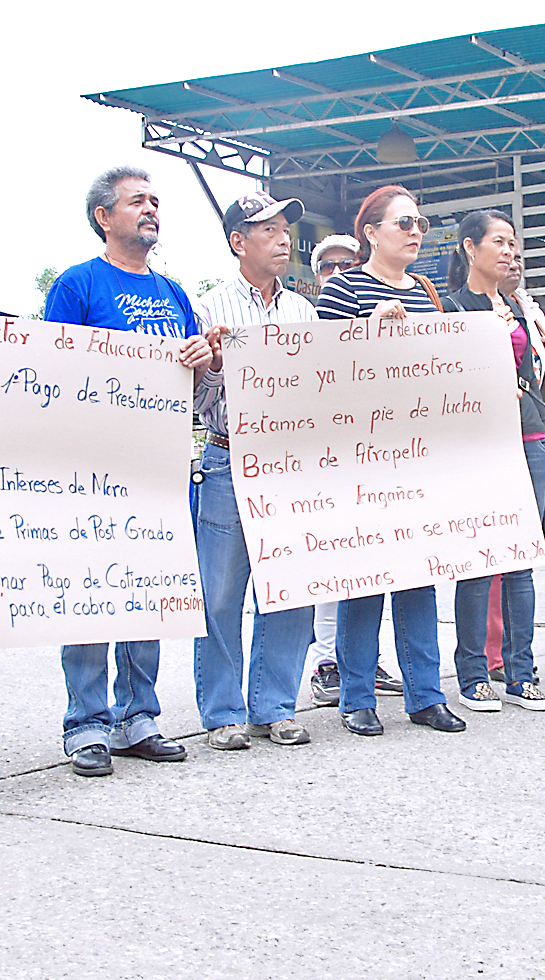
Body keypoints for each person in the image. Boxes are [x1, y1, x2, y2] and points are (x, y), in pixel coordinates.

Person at [43, 167, 219, 775]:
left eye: (155, 202)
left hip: (163, 463)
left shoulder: (173, 293)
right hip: (94, 467)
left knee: (148, 593)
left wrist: (201, 361)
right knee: (93, 593)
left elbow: (192, 385)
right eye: (137, 201)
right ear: (104, 217)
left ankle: (137, 715)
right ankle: (86, 724)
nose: (151, 210)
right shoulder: (77, 285)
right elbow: (54, 373)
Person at [311, 186, 467, 737]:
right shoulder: (345, 288)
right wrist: (366, 329)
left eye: (420, 221)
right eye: (403, 222)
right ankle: (356, 695)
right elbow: (319, 371)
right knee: (364, 579)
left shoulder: (427, 290)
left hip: (417, 455)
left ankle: (426, 694)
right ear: (370, 233)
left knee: (419, 577)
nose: (415, 230)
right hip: (363, 458)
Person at [190, 189, 319, 749]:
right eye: (267, 230)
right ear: (238, 242)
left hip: (290, 463)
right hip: (228, 455)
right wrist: (214, 366)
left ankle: (276, 706)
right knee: (221, 593)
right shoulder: (208, 309)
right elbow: (194, 402)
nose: (282, 238)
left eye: (284, 229)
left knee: (289, 587)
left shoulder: (302, 311)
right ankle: (222, 713)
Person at [442, 209, 545, 714]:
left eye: (514, 244)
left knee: (521, 561)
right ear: (470, 248)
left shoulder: (518, 306)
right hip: (478, 443)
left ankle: (521, 672)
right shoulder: (451, 308)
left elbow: (532, 379)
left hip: (528, 436)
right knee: (478, 559)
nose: (510, 252)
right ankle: (472, 673)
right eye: (499, 242)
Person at [301, 235, 406, 708]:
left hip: (382, 449)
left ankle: (362, 661)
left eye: (348, 263)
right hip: (330, 452)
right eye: (328, 266)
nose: (339, 271)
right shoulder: (311, 316)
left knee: (370, 567)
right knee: (330, 567)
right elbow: (325, 368)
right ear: (315, 275)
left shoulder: (388, 298)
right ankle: (327, 665)